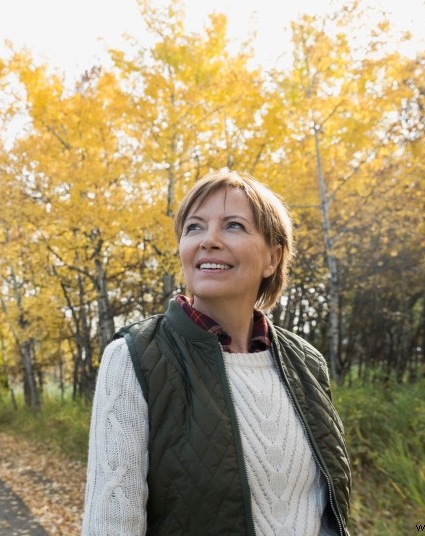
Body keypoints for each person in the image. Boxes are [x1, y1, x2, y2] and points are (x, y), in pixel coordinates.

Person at [81, 169, 351, 535]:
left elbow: (324, 509)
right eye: (194, 227)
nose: (208, 240)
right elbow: (110, 526)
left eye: (234, 226)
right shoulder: (135, 356)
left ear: (273, 258)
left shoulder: (307, 363)